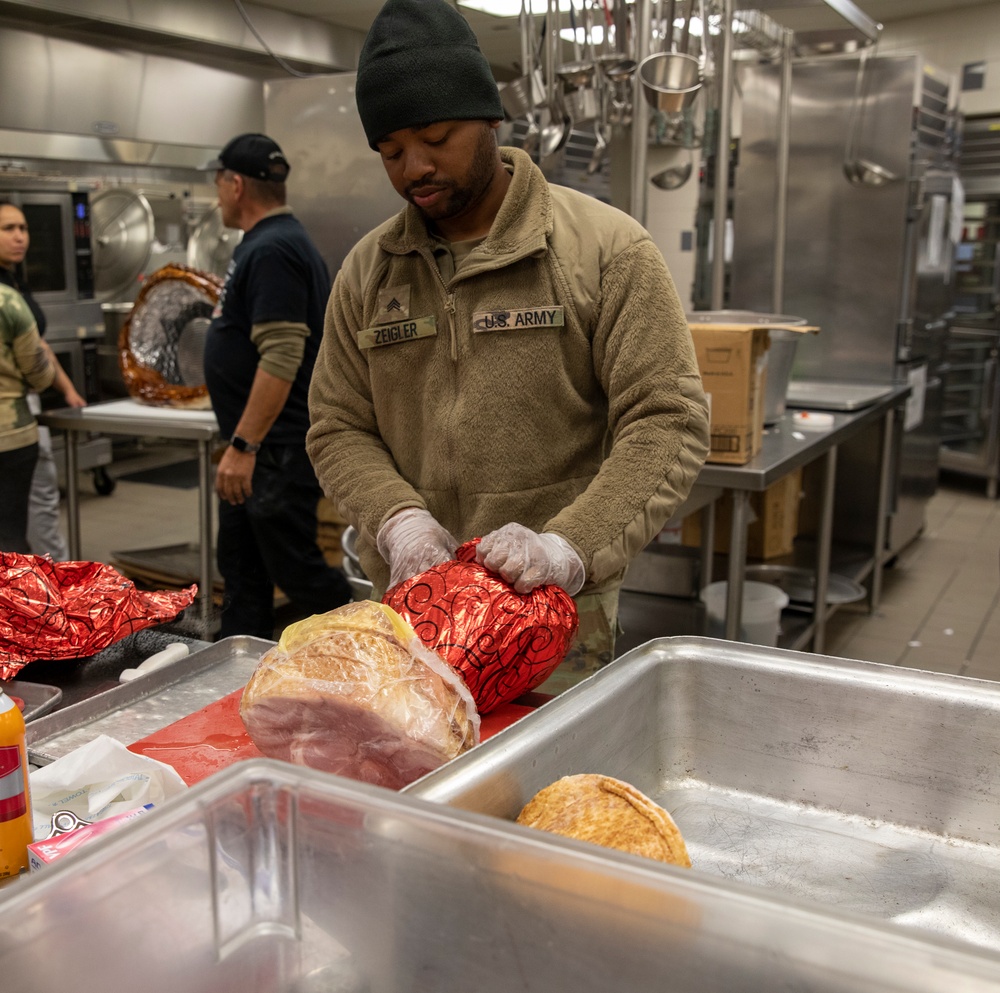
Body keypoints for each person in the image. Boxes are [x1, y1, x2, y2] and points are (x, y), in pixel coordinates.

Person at [306, 0, 711, 688]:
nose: (414, 168)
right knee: (417, 785)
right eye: (392, 150)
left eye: (437, 136)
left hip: (551, 626)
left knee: (546, 791)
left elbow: (667, 420)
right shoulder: (369, 272)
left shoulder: (604, 250)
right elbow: (338, 424)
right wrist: (398, 521)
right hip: (417, 619)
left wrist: (566, 546)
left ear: (491, 117)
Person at [202, 133, 353, 640]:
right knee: (244, 574)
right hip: (263, 452)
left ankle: (366, 654)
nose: (217, 196)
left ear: (235, 184)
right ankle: (238, 681)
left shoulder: (274, 249)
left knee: (300, 574)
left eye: (219, 184)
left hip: (273, 451)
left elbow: (283, 356)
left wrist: (244, 444)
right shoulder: (268, 245)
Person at [0, 200, 85, 560]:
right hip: (13, 422)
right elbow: (36, 361)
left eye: (23, 228)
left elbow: (39, 346)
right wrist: (50, 381)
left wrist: (67, 391)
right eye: (8, 229)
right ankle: (51, 587)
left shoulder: (16, 283)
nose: (20, 237)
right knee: (21, 521)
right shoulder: (8, 299)